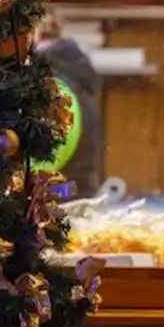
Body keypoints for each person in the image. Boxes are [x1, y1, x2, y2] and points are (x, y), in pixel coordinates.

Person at [36, 14, 103, 195]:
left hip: (53, 201)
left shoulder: (50, 85)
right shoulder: (78, 79)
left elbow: (46, 160)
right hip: (78, 192)